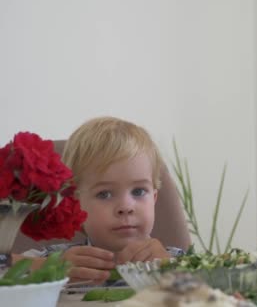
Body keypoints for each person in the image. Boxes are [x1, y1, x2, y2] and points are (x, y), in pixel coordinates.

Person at [14, 117, 184, 283]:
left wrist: (173, 270)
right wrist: (43, 268)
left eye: (138, 191)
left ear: (154, 198)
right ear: (76, 204)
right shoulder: (58, 262)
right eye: (104, 194)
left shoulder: (176, 261)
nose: (125, 207)